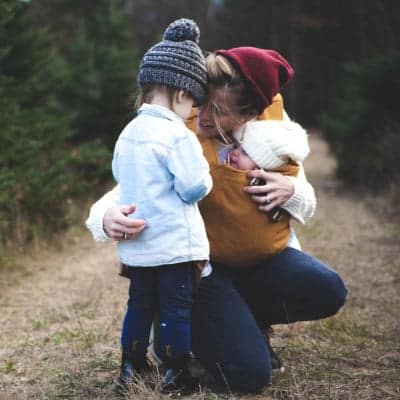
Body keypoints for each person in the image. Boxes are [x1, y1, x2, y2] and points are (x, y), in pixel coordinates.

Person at [86, 43, 348, 393]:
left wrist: (290, 190)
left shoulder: (273, 132)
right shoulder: (178, 127)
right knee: (248, 376)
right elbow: (131, 185)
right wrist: (105, 217)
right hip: (200, 270)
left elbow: (307, 197)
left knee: (328, 289)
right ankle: (193, 323)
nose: (204, 115)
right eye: (203, 101)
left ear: (251, 113)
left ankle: (242, 319)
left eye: (220, 111)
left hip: (259, 262)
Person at [110, 18, 213, 394]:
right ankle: (175, 373)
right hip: (174, 246)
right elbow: (193, 188)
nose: (193, 111)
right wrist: (205, 175)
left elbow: (121, 177)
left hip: (139, 246)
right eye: (194, 102)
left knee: (139, 305)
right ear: (181, 93)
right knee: (175, 310)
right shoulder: (176, 135)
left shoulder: (128, 132)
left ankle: (130, 367)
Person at [199, 118, 310, 268]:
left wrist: (293, 190)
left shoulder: (278, 140)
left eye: (244, 152)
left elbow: (308, 207)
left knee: (329, 283)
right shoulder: (202, 138)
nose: (234, 152)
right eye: (236, 146)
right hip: (215, 257)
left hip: (270, 254)